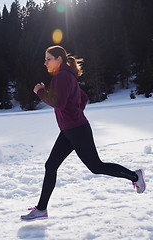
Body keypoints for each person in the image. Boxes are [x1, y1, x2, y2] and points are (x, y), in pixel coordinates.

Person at [20, 45, 145, 221]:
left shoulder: (62, 76)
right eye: (45, 59)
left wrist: (40, 92)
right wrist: (74, 114)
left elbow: (59, 103)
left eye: (48, 59)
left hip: (77, 130)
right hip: (69, 130)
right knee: (51, 165)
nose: (45, 62)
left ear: (59, 59)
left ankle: (135, 175)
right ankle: (41, 209)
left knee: (96, 167)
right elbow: (83, 97)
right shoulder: (65, 76)